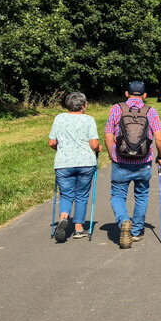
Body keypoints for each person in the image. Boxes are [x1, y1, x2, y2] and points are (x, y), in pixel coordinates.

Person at [105, 81, 161, 248]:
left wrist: (113, 156)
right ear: (144, 95)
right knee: (142, 195)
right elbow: (159, 138)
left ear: (127, 93)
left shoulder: (116, 109)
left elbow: (108, 135)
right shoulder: (150, 111)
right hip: (143, 161)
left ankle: (124, 220)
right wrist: (160, 156)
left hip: (121, 161)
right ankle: (137, 231)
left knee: (117, 195)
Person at [47, 91, 101, 242]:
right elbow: (94, 144)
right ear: (83, 105)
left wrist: (62, 150)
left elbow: (52, 142)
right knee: (82, 195)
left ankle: (64, 216)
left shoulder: (59, 118)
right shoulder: (88, 120)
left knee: (66, 194)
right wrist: (99, 149)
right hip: (85, 163)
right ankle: (78, 228)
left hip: (64, 163)